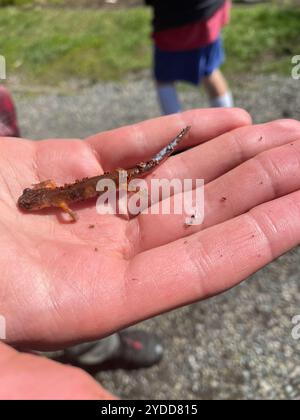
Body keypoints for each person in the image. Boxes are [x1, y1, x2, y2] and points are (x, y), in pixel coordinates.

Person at [0, 108, 300, 399]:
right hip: (109, 180)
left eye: (31, 203)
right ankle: (170, 146)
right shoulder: (54, 196)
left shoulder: (59, 203)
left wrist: (74, 217)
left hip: (112, 182)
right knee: (138, 170)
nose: (28, 205)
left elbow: (66, 209)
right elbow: (52, 188)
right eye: (30, 202)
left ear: (42, 204)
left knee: (140, 171)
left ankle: (172, 146)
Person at [145, 0, 233, 115]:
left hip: (175, 20)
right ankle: (228, 121)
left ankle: (174, 128)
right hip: (209, 12)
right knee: (209, 70)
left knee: (164, 79)